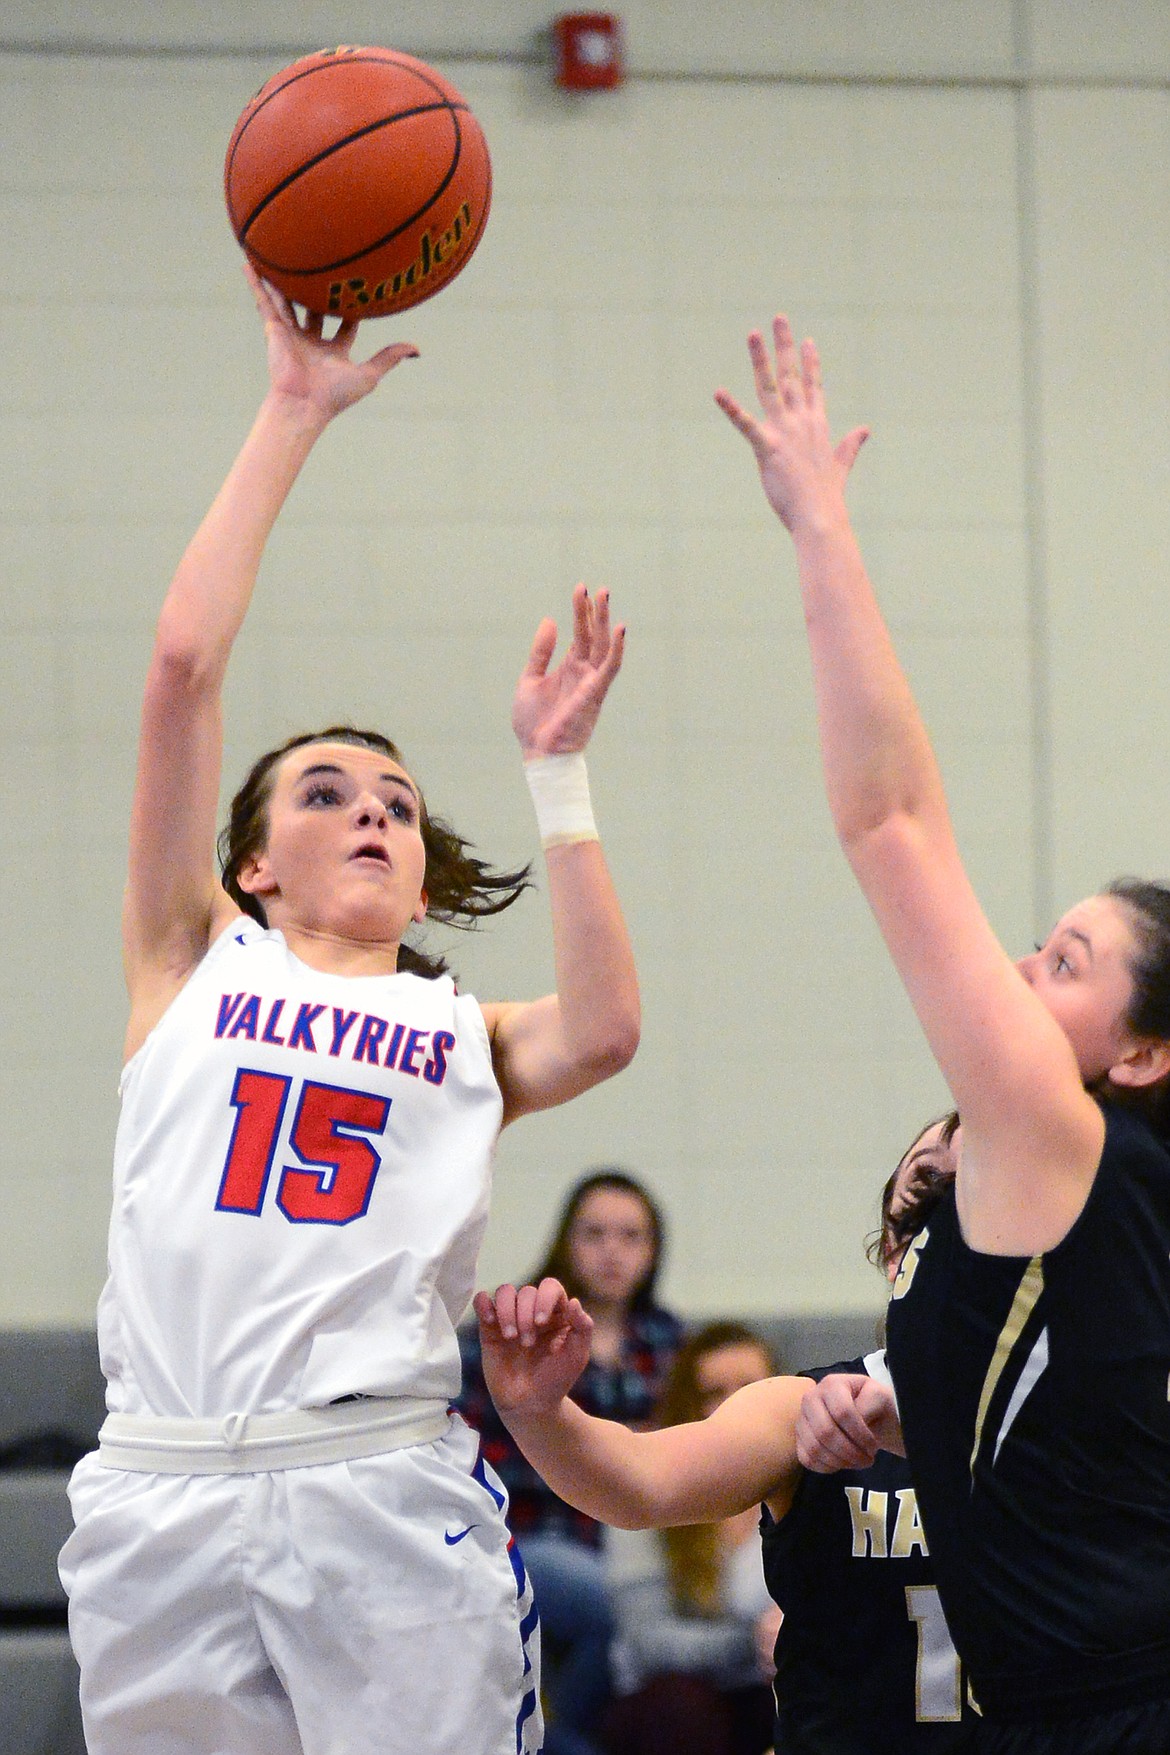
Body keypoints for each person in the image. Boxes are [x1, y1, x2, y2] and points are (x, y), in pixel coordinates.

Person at [56, 267, 640, 1755]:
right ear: (252, 860)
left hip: (375, 1482)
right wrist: (291, 414)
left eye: (393, 800)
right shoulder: (192, 955)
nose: (371, 812)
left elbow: (607, 1023)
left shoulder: (462, 1032)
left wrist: (556, 777)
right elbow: (183, 666)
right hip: (162, 1480)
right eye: (325, 792)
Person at [717, 314, 1170, 1752]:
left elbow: (888, 818)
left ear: (1138, 1050)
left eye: (1063, 958)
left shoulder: (1059, 1135)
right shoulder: (1099, 1200)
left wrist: (818, 526)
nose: (1021, 968)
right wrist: (913, 1427)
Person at [473, 1116, 979, 1753]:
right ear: (891, 1246)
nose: (951, 1198)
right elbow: (639, 1481)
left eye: (981, 1171)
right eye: (929, 1177)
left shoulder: (1080, 1408)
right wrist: (539, 1411)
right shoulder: (799, 1405)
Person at [459, 1169, 683, 1755]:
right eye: (596, 1234)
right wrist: (609, 1449)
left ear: (654, 1250)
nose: (613, 1251)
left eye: (632, 1236)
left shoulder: (670, 1344)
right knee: (607, 1602)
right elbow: (472, 1454)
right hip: (535, 1531)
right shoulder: (518, 1334)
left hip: (648, 1536)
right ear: (566, 1240)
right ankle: (561, 1742)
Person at [601, 1322, 781, 1755]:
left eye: (750, 1389)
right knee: (683, 1707)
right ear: (687, 1404)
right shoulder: (644, 1489)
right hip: (670, 1701)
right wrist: (754, 1643)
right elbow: (648, 1642)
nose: (734, 1407)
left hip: (772, 1688)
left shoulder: (814, 1486)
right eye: (713, 1393)